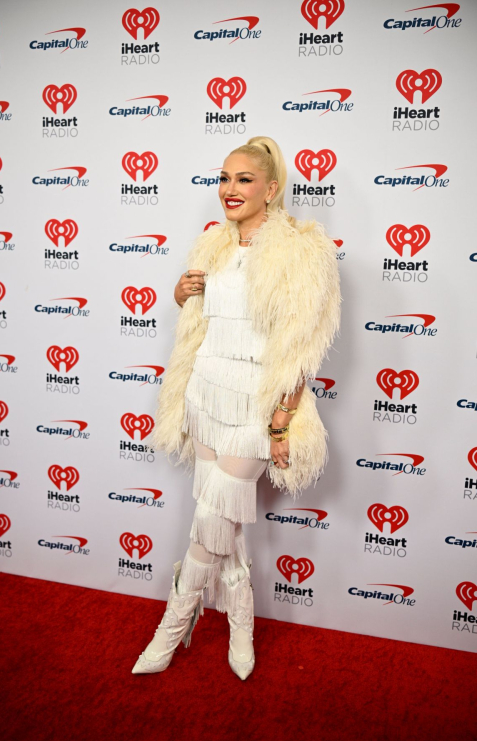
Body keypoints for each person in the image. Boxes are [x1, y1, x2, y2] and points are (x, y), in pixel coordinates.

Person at [132, 136, 341, 680]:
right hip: (205, 391)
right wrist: (182, 293)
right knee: (224, 521)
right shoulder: (214, 246)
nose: (230, 190)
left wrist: (281, 420)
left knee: (212, 515)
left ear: (272, 190)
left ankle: (171, 627)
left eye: (244, 180)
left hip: (254, 403)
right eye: (224, 179)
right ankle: (240, 622)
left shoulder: (303, 250)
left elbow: (302, 348)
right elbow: (201, 320)